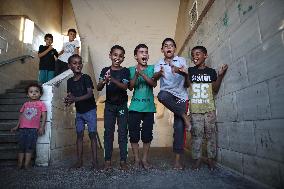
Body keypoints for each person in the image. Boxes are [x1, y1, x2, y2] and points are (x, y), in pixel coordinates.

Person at [189, 46, 228, 170]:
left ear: (205, 55)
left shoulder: (211, 72)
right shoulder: (190, 71)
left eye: (198, 54)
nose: (195, 56)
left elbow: (215, 89)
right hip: (195, 109)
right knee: (196, 134)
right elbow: (186, 84)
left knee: (210, 135)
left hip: (209, 108)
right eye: (193, 54)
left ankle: (211, 159)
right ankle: (197, 159)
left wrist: (220, 75)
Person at [154, 38, 190, 170]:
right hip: (168, 94)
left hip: (181, 96)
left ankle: (177, 162)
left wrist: (180, 71)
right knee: (161, 95)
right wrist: (160, 72)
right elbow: (155, 78)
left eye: (171, 45)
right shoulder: (159, 63)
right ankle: (184, 116)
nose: (168, 47)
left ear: (174, 49)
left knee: (179, 128)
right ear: (162, 49)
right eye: (165, 46)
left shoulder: (181, 61)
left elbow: (187, 81)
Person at [97, 45, 130, 171]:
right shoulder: (105, 70)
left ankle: (123, 161)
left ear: (123, 58)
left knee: (122, 133)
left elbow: (125, 87)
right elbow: (99, 87)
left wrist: (113, 80)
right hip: (109, 106)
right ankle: (107, 161)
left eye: (120, 56)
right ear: (110, 55)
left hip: (122, 106)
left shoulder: (125, 71)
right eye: (115, 55)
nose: (117, 58)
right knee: (108, 133)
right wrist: (104, 81)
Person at [64, 54, 98, 169]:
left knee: (92, 135)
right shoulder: (69, 81)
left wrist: (75, 99)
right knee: (79, 136)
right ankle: (79, 161)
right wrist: (68, 100)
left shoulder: (86, 77)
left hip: (90, 111)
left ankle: (94, 162)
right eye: (74, 63)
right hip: (79, 112)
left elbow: (89, 94)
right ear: (69, 66)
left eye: (79, 63)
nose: (78, 65)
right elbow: (70, 96)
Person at [128, 44, 157, 169]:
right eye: (141, 52)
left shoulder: (152, 68)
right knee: (134, 135)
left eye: (146, 52)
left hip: (149, 108)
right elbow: (130, 86)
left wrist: (142, 73)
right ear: (136, 56)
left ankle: (144, 160)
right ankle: (136, 159)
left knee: (147, 135)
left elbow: (153, 83)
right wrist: (136, 74)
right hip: (134, 107)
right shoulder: (130, 69)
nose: (144, 54)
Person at [11, 83, 47, 169]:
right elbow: (21, 116)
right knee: (21, 147)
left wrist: (42, 127)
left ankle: (26, 164)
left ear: (40, 94)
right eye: (31, 92)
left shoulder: (41, 104)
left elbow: (44, 115)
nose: (34, 93)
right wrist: (17, 126)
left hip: (33, 129)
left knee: (29, 147)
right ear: (28, 94)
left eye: (36, 91)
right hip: (22, 129)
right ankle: (19, 164)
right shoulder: (25, 104)